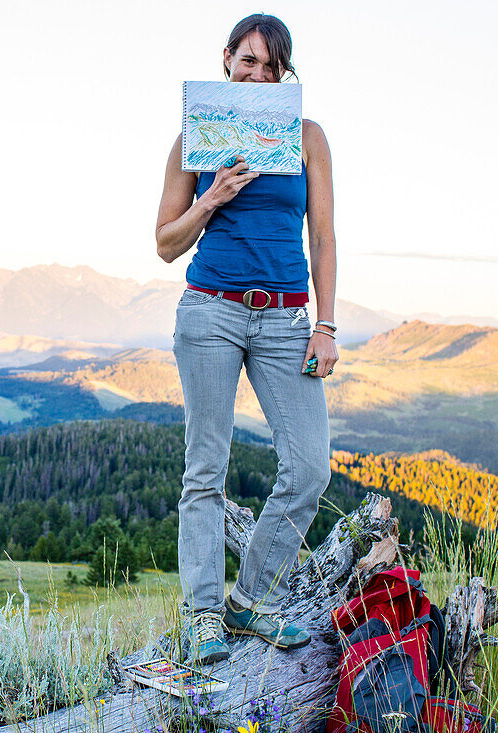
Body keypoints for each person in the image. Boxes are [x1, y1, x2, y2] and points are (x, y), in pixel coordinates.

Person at [155, 13, 338, 664]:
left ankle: (249, 601)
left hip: (287, 317)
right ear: (226, 60)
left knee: (310, 465)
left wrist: (327, 323)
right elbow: (164, 245)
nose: (259, 73)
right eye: (249, 61)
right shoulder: (194, 138)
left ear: (285, 73)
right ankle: (204, 614)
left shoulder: (307, 137)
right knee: (205, 468)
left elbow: (322, 236)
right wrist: (212, 198)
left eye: (273, 65)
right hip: (210, 311)